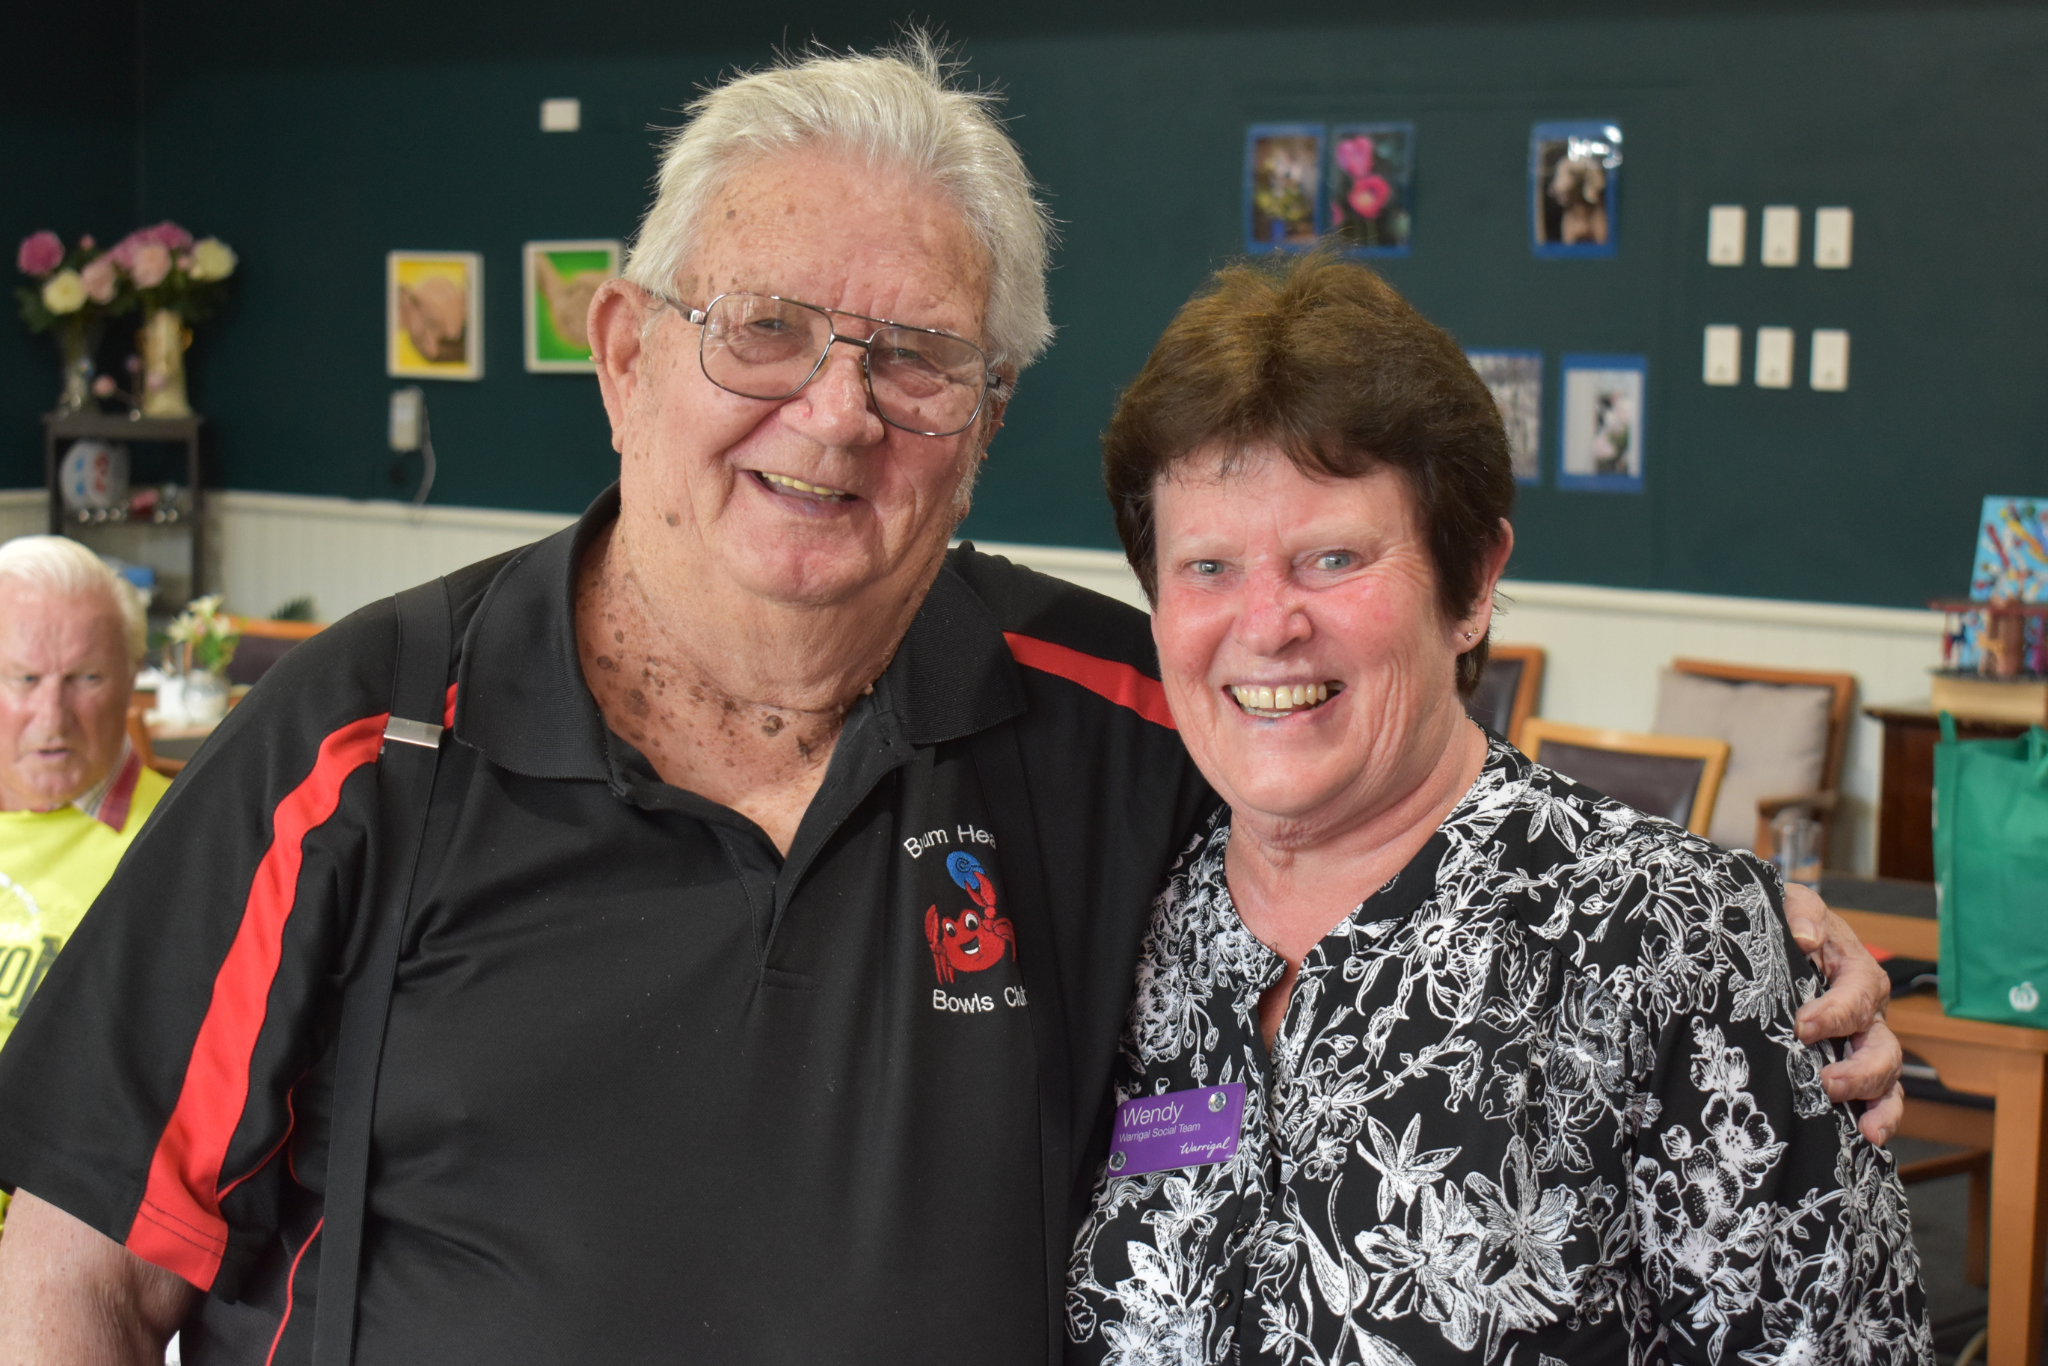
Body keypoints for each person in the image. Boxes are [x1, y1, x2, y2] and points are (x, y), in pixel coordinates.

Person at [0, 42, 1898, 1366]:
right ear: (624, 350)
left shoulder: (1103, 726)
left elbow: (1393, 807)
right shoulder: (356, 743)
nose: (834, 414)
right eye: (765, 330)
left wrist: (1752, 946)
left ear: (982, 429)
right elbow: (76, 1273)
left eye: (914, 361)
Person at [1065, 255, 1929, 1364]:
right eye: (1208, 566)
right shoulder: (1120, 913)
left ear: (1470, 584)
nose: (1266, 623)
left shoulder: (1666, 940)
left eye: (1332, 557)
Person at [0, 535, 166, 1042]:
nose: (52, 718)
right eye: (24, 679)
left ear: (132, 678)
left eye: (86, 678)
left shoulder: (183, 838)